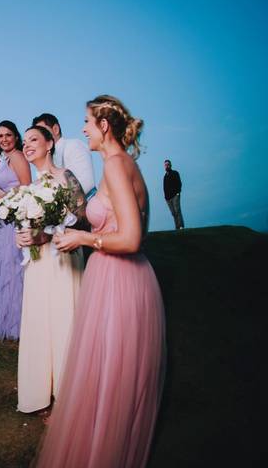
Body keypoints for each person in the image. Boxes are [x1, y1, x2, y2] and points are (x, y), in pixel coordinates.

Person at [38, 95, 166, 467]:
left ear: (104, 126)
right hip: (118, 276)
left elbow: (132, 238)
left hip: (120, 280)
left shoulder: (115, 165)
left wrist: (83, 238)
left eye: (87, 122)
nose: (83, 129)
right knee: (105, 370)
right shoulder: (124, 165)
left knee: (112, 373)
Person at [16, 126, 88, 414]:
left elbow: (82, 220)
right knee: (39, 321)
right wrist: (23, 236)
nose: (27, 145)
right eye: (24, 142)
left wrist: (44, 236)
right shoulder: (31, 188)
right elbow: (30, 227)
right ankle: (40, 391)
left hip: (63, 259)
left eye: (33, 139)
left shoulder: (65, 176)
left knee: (62, 319)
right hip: (38, 264)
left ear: (49, 144)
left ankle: (68, 395)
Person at [0, 121, 30, 340]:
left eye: (8, 135)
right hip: (3, 220)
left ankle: (17, 323)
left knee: (13, 271)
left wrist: (0, 197)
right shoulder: (5, 159)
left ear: (16, 137)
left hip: (15, 221)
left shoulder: (19, 157)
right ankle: (7, 318)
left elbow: (26, 189)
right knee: (4, 270)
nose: (3, 139)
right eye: (0, 136)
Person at [33, 113, 96, 199]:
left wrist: (59, 203)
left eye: (43, 132)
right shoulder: (47, 159)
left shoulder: (73, 145)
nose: (41, 137)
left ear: (55, 129)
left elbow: (86, 184)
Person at [164, 159, 184, 229]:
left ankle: (181, 226)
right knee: (173, 213)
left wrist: (178, 192)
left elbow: (179, 183)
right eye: (165, 165)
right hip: (168, 198)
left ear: (170, 165)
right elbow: (164, 187)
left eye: (168, 164)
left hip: (175, 195)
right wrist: (165, 197)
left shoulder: (175, 173)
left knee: (177, 210)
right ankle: (177, 227)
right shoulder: (165, 177)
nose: (167, 166)